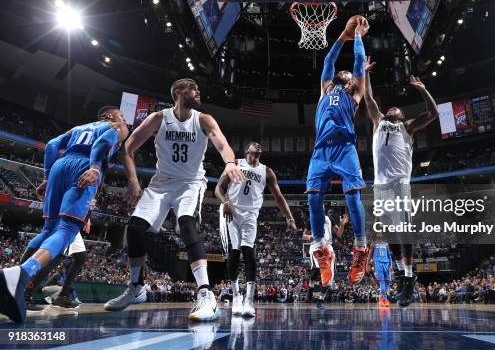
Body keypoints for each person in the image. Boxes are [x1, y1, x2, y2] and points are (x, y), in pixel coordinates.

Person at [103, 78, 244, 322]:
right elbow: (128, 148)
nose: (198, 91)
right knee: (135, 228)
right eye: (193, 88)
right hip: (161, 183)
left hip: (190, 183)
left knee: (187, 223)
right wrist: (133, 179)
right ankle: (136, 287)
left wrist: (230, 162)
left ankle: (205, 294)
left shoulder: (203, 119)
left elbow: (222, 144)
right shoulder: (159, 118)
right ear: (178, 92)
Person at [0, 106, 128, 323]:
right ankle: (21, 274)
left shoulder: (77, 128)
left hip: (60, 166)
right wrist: (95, 168)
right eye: (121, 115)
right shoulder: (117, 126)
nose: (124, 119)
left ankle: (14, 286)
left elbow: (51, 146)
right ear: (110, 116)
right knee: (67, 230)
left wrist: (48, 177)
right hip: (83, 166)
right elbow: (102, 143)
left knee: (49, 230)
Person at [364, 63, 438, 306]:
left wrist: (423, 90)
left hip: (399, 185)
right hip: (380, 187)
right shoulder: (378, 122)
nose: (393, 108)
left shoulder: (407, 127)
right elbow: (369, 98)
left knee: (403, 230)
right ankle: (400, 273)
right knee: (389, 233)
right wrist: (365, 74)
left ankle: (408, 278)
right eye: (391, 107)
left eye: (398, 108)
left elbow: (433, 114)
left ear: (403, 116)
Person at [306, 16, 370, 288]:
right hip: (321, 151)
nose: (343, 72)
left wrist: (357, 37)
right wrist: (342, 36)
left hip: (344, 148)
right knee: (312, 200)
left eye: (348, 74)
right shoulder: (325, 89)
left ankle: (360, 249)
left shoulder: (355, 93)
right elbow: (328, 62)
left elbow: (357, 64)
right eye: (341, 73)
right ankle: (323, 250)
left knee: (353, 196)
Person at [216, 142, 296, 318]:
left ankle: (249, 300)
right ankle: (236, 296)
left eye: (260, 145)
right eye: (254, 144)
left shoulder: (267, 171)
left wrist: (290, 218)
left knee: (249, 252)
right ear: (247, 151)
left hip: (251, 215)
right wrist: (225, 202)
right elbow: (218, 188)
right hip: (232, 211)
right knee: (234, 253)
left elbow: (278, 197)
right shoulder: (235, 164)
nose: (258, 145)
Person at [303, 208, 348, 307]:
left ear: (323, 207)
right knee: (317, 270)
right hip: (316, 246)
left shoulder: (330, 219)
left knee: (329, 278)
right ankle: (310, 291)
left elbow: (339, 234)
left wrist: (342, 225)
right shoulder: (311, 219)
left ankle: (321, 299)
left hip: (328, 246)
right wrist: (310, 237)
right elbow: (304, 235)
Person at [368, 236, 393, 307]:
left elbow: (389, 255)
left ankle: (382, 297)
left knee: (387, 281)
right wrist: (367, 264)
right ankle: (384, 299)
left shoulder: (386, 244)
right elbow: (370, 255)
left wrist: (391, 265)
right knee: (382, 281)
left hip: (386, 263)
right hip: (378, 263)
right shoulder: (373, 244)